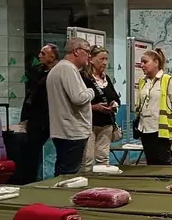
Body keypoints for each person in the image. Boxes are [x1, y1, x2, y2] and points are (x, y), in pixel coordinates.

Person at [46, 37, 96, 175]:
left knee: (63, 171)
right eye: (86, 51)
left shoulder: (58, 69)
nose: (89, 55)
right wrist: (91, 92)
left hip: (64, 130)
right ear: (76, 51)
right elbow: (79, 98)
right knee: (69, 175)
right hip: (72, 132)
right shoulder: (68, 69)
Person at [15, 43, 58, 184]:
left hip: (51, 118)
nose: (39, 56)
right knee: (31, 152)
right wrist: (25, 117)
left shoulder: (58, 73)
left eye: (43, 54)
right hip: (36, 119)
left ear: (52, 57)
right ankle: (30, 180)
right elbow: (30, 96)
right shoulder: (38, 72)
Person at [136, 48, 172, 165]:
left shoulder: (168, 80)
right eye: (141, 62)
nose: (142, 65)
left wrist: (169, 116)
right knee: (150, 163)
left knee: (162, 164)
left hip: (161, 130)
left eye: (145, 62)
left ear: (156, 63)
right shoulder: (142, 81)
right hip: (145, 129)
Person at [81, 45, 121, 171]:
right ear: (91, 59)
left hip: (106, 125)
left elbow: (115, 97)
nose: (104, 62)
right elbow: (78, 101)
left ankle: (102, 185)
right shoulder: (83, 78)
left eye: (106, 59)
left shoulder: (106, 78)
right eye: (101, 59)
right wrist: (94, 108)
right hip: (89, 124)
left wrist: (114, 105)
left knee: (103, 158)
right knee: (87, 159)